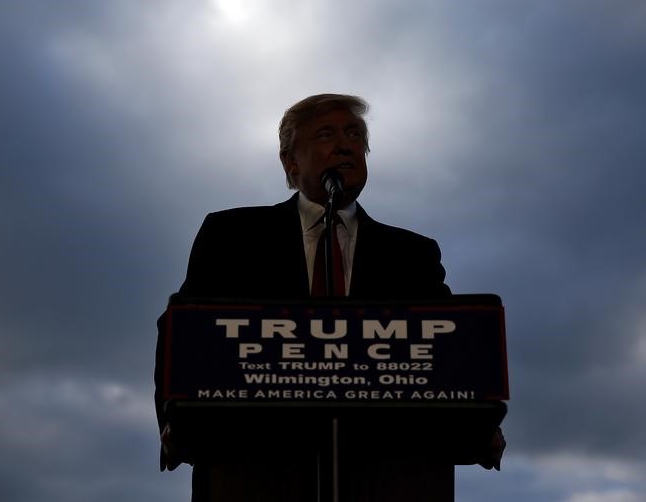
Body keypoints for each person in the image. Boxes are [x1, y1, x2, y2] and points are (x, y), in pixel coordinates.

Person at [155, 94, 504, 501]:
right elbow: (183, 332)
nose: (345, 144)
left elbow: (448, 349)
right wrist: (174, 420)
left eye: (354, 134)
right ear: (291, 162)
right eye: (326, 134)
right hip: (254, 468)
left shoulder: (413, 253)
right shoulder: (231, 235)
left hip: (388, 472)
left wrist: (480, 419)